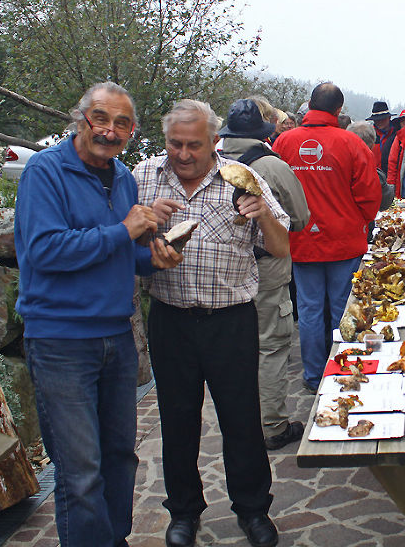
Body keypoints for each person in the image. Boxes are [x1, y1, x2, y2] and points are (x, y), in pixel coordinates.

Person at [15, 81, 183, 547]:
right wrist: (125, 229)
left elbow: (123, 253)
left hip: (116, 336)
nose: (110, 131)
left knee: (118, 458)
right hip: (60, 341)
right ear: (81, 118)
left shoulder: (123, 176)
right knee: (80, 471)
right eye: (101, 119)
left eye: (122, 124)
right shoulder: (45, 173)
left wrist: (154, 258)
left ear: (132, 131)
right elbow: (45, 250)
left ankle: (115, 540)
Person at [134, 99, 290, 547]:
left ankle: (253, 510)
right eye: (175, 144)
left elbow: (281, 248)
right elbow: (124, 243)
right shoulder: (143, 177)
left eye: (194, 146)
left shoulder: (244, 179)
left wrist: (263, 216)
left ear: (214, 143)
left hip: (231, 320)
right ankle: (183, 512)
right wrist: (148, 244)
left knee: (241, 420)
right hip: (171, 319)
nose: (182, 154)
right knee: (177, 421)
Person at [273, 82, 381, 392]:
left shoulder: (284, 142)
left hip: (301, 242)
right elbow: (370, 194)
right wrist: (359, 221)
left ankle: (312, 376)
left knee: (307, 310)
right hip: (344, 243)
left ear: (309, 104)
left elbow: (272, 190)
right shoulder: (352, 144)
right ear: (338, 110)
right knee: (342, 310)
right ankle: (342, 370)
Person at [218, 99, 310, 451]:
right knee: (271, 345)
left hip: (223, 271)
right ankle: (272, 425)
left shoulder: (210, 163)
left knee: (234, 348)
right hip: (266, 266)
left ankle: (240, 422)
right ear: (262, 131)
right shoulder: (271, 165)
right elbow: (300, 218)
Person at [347, 120, 396, 212]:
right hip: (362, 222)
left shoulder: (335, 167)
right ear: (373, 144)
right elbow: (385, 203)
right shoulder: (375, 175)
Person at [367, 101, 396, 171]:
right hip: (373, 174)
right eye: (376, 119)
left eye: (382, 119)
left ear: (389, 118)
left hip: (392, 175)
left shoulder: (397, 134)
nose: (379, 122)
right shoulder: (369, 134)